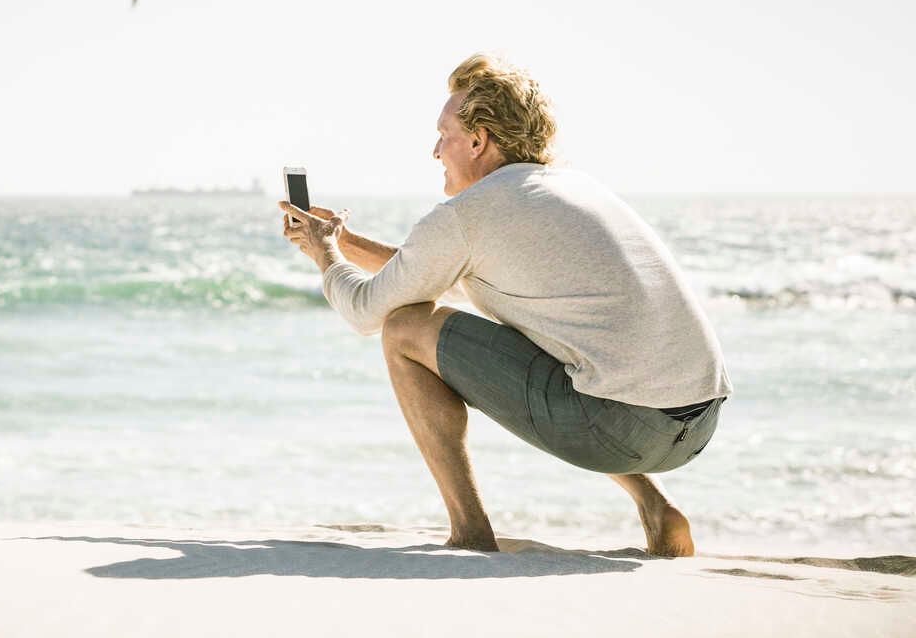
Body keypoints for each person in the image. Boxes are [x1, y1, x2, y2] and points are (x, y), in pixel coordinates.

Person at [278, 53, 732, 557]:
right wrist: (343, 242)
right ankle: (654, 504)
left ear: (479, 140)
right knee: (569, 348)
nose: (435, 150)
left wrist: (325, 254)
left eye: (444, 134)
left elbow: (367, 311)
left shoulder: (469, 214)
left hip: (618, 429)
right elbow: (439, 277)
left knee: (405, 329)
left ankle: (470, 531)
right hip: (699, 423)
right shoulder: (571, 189)